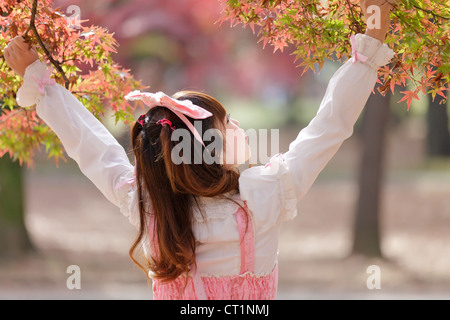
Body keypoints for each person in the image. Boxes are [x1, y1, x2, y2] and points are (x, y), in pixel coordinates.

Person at [3, 0, 396, 299]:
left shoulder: (150, 204)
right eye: (227, 123)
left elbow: (92, 146)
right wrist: (372, 36)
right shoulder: (265, 194)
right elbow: (329, 127)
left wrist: (39, 80)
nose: (239, 125)